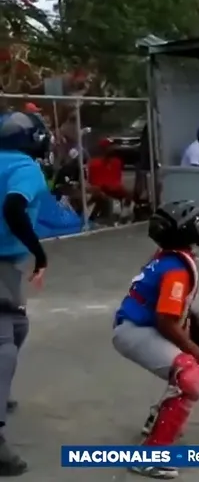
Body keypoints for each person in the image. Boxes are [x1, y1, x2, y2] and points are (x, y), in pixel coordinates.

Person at [112, 200, 199, 479]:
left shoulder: (167, 257)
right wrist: (197, 352)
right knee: (190, 377)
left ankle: (157, 421)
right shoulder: (176, 269)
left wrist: (191, 325)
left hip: (134, 326)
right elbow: (165, 321)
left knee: (184, 366)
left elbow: (163, 307)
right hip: (136, 331)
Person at [0, 111, 53, 476]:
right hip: (2, 263)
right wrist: (39, 251)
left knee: (18, 327)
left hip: (7, 267)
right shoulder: (25, 168)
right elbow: (13, 206)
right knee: (3, 344)